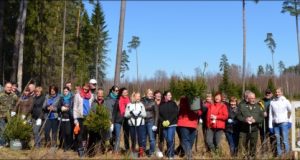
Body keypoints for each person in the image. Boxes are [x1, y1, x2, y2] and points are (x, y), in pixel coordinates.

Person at [237, 92, 264, 159]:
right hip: (244, 130)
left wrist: (256, 120)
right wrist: (245, 119)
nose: (253, 100)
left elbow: (262, 117)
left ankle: (252, 157)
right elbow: (238, 116)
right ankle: (244, 157)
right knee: (242, 145)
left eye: (254, 98)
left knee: (253, 145)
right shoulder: (242, 106)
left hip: (254, 130)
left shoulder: (258, 107)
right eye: (251, 98)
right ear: (247, 98)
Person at [269, 87, 292, 157]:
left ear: (282, 93)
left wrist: (290, 121)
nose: (277, 93)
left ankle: (287, 155)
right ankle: (279, 156)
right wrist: (270, 126)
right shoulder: (272, 102)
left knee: (285, 141)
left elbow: (292, 111)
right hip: (275, 125)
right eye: (276, 92)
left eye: (279, 92)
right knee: (278, 141)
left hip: (284, 123)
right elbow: (271, 115)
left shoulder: (286, 101)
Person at [73, 83, 94, 157]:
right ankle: (80, 150)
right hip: (79, 117)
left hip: (88, 118)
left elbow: (91, 107)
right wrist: (75, 119)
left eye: (87, 88)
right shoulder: (78, 95)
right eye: (84, 88)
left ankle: (84, 149)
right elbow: (75, 107)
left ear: (89, 88)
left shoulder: (91, 96)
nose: (85, 89)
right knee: (79, 135)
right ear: (82, 87)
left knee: (85, 135)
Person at [125, 92, 147, 157]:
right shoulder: (129, 105)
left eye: (139, 96)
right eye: (137, 96)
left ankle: (141, 153)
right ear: (134, 97)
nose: (138, 98)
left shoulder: (141, 105)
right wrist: (131, 113)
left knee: (141, 139)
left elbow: (145, 114)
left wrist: (139, 113)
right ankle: (133, 153)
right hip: (132, 124)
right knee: (133, 138)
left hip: (140, 124)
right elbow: (126, 115)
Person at [159, 91, 178, 159]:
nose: (170, 96)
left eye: (170, 95)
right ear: (165, 96)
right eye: (169, 95)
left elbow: (175, 113)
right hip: (164, 125)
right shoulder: (161, 104)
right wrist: (162, 121)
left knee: (170, 139)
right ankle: (170, 152)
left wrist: (169, 121)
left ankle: (171, 155)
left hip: (172, 124)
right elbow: (159, 115)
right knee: (167, 139)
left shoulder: (173, 103)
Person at [112, 87, 131, 153]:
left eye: (127, 92)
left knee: (126, 136)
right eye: (124, 92)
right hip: (118, 120)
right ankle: (116, 151)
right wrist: (112, 122)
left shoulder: (129, 101)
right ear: (121, 93)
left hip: (126, 120)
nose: (126, 93)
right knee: (118, 136)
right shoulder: (118, 101)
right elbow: (114, 112)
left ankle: (127, 150)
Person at [0, 82, 18, 147]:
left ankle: (8, 142)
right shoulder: (1, 94)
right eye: (8, 87)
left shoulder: (14, 95)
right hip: (2, 115)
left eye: (10, 87)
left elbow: (17, 104)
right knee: (3, 129)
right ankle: (2, 143)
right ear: (5, 87)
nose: (9, 88)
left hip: (11, 116)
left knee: (9, 129)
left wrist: (14, 111)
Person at [258, 88, 276, 155]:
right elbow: (257, 110)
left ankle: (274, 153)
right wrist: (262, 113)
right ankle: (264, 153)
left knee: (273, 138)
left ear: (271, 94)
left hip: (272, 123)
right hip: (263, 123)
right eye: (266, 93)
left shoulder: (274, 101)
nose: (267, 94)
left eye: (269, 93)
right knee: (263, 138)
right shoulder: (261, 101)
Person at [141, 89, 158, 157]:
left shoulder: (154, 102)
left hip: (150, 121)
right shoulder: (142, 101)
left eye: (151, 93)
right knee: (143, 138)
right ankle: (143, 152)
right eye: (149, 93)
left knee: (151, 138)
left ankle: (151, 152)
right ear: (146, 94)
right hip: (142, 121)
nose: (151, 95)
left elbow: (157, 113)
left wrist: (155, 124)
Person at [104, 86, 119, 150]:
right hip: (109, 119)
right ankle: (108, 147)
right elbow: (106, 109)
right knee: (109, 134)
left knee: (116, 134)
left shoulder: (118, 99)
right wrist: (109, 119)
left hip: (117, 119)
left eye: (118, 90)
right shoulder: (107, 99)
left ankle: (114, 148)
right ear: (112, 91)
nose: (117, 92)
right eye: (116, 90)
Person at [58, 87, 73, 151]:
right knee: (63, 133)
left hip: (69, 118)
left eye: (66, 91)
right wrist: (61, 108)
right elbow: (58, 107)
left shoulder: (71, 99)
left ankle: (69, 145)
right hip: (62, 118)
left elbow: (72, 107)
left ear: (69, 92)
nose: (65, 92)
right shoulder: (61, 99)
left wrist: (68, 109)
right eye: (64, 91)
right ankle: (64, 146)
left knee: (68, 133)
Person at [153, 90, 164, 158]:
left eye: (160, 95)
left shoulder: (163, 103)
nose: (158, 96)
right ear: (154, 96)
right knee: (153, 137)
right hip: (154, 122)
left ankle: (160, 151)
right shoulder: (152, 102)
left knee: (161, 138)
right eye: (157, 95)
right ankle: (154, 150)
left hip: (161, 123)